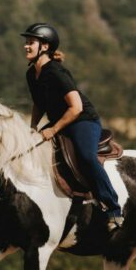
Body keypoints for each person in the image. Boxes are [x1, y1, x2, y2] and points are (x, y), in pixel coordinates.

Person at [20, 23, 124, 232]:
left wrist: (52, 129)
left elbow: (75, 108)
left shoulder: (57, 72)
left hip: (82, 120)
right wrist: (32, 128)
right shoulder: (32, 74)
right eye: (26, 42)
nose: (26, 46)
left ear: (45, 47)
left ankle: (114, 209)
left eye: (30, 42)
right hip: (61, 120)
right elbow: (39, 103)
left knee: (86, 157)